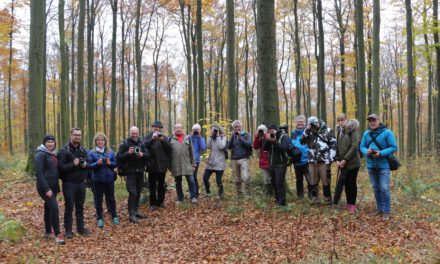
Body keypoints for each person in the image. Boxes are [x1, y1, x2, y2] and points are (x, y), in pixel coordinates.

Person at [360, 114, 398, 220]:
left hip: (383, 165)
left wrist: (380, 153)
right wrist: (366, 151)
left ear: (378, 120)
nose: (372, 122)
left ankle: (386, 211)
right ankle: (379, 209)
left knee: (384, 188)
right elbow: (362, 146)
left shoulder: (387, 132)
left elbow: (394, 147)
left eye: (374, 120)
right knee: (376, 188)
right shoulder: (366, 133)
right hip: (371, 165)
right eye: (370, 121)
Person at [58, 128, 92, 238]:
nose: (77, 137)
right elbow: (61, 168)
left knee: (80, 206)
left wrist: (84, 165)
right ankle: (68, 230)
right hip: (69, 183)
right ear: (71, 135)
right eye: (75, 135)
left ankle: (80, 228)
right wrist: (73, 164)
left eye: (79, 135)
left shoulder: (83, 149)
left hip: (81, 183)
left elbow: (88, 164)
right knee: (69, 206)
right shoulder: (64, 150)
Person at [35, 135, 65, 244]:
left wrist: (56, 187)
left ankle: (48, 232)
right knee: (54, 207)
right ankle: (57, 234)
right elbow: (39, 173)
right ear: (44, 143)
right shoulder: (40, 155)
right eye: (48, 142)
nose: (50, 144)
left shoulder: (52, 154)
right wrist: (47, 188)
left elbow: (55, 172)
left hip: (53, 186)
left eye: (52, 142)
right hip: (44, 187)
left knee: (48, 208)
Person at [116, 126, 150, 223]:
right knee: (133, 193)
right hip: (130, 172)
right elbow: (118, 157)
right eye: (133, 133)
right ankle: (131, 214)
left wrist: (142, 154)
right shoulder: (125, 143)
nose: (134, 135)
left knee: (138, 192)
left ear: (138, 133)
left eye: (136, 133)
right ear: (129, 133)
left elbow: (148, 155)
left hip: (140, 172)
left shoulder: (141, 143)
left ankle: (136, 211)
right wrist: (128, 153)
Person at [300, 117, 336, 205]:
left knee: (326, 181)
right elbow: (302, 141)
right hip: (312, 161)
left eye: (313, 125)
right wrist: (307, 130)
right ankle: (315, 200)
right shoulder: (309, 131)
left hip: (324, 161)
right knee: (313, 182)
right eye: (310, 125)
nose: (312, 126)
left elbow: (334, 145)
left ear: (317, 123)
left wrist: (330, 158)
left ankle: (327, 200)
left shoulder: (327, 130)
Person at [87, 132, 119, 228]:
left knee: (111, 199)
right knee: (98, 200)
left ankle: (114, 216)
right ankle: (100, 218)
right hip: (97, 180)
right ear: (95, 142)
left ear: (105, 141)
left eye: (102, 140)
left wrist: (110, 163)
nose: (100, 142)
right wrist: (97, 163)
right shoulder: (92, 152)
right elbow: (89, 166)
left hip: (109, 179)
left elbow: (116, 163)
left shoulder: (110, 151)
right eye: (98, 140)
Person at [333, 114, 361, 212]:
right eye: (339, 121)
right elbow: (338, 146)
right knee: (346, 183)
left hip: (353, 163)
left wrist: (345, 159)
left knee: (352, 183)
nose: (341, 122)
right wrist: (337, 159)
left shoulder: (353, 130)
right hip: (343, 164)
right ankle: (348, 203)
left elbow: (354, 146)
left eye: (342, 120)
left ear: (346, 120)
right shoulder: (339, 132)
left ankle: (352, 204)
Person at [143, 121, 171, 210]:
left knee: (161, 185)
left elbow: (169, 149)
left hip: (162, 165)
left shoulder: (164, 137)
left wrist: (162, 140)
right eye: (155, 127)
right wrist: (152, 139)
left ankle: (160, 202)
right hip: (152, 166)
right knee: (152, 186)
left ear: (160, 129)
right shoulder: (148, 137)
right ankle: (153, 203)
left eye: (158, 127)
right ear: (153, 128)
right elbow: (143, 146)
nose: (156, 128)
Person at [169, 123, 198, 204]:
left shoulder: (187, 138)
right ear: (174, 129)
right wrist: (169, 166)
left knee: (191, 181)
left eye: (180, 127)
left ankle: (193, 197)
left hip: (187, 164)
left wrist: (193, 164)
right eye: (176, 128)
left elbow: (192, 152)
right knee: (178, 183)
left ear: (182, 129)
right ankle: (180, 199)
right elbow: (168, 154)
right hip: (175, 165)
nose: (178, 129)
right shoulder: (170, 138)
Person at [264, 124, 291, 206]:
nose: (272, 133)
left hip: (281, 165)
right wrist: (268, 140)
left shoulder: (283, 137)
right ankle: (277, 199)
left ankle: (282, 202)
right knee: (274, 183)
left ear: (276, 130)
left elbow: (284, 148)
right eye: (270, 131)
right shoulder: (270, 138)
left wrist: (275, 142)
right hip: (272, 164)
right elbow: (265, 148)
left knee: (279, 183)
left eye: (273, 131)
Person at [228, 120, 253, 198]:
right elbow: (228, 147)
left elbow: (249, 145)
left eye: (238, 126)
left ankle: (248, 194)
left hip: (244, 159)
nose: (237, 128)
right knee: (237, 179)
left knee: (245, 177)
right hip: (234, 159)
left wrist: (240, 137)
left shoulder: (246, 134)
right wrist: (232, 137)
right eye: (235, 127)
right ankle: (240, 195)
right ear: (233, 128)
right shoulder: (233, 136)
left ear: (241, 127)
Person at [291, 115, 313, 199]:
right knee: (298, 180)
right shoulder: (293, 133)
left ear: (305, 123)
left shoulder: (308, 132)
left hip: (306, 160)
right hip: (296, 161)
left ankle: (311, 197)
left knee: (309, 179)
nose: (300, 123)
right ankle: (300, 197)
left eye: (301, 122)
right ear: (295, 123)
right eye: (298, 122)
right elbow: (291, 145)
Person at [203, 124, 227, 199]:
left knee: (218, 180)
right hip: (211, 162)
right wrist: (211, 136)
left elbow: (221, 147)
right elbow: (207, 146)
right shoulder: (211, 138)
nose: (213, 131)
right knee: (205, 178)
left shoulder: (223, 138)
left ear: (218, 131)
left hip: (219, 162)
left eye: (215, 130)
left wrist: (218, 136)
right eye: (212, 130)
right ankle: (208, 192)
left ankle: (221, 195)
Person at [253, 124, 271, 195]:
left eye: (262, 130)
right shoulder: (260, 138)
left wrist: (266, 136)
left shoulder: (269, 136)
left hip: (271, 160)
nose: (261, 132)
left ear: (266, 131)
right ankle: (267, 192)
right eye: (259, 130)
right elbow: (255, 146)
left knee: (272, 178)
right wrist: (257, 136)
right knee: (266, 178)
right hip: (264, 161)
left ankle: (272, 191)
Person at [190, 123, 206, 197]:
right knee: (190, 176)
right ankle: (193, 192)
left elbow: (203, 148)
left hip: (196, 160)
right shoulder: (189, 137)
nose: (196, 131)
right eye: (194, 130)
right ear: (192, 130)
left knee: (193, 176)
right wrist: (191, 136)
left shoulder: (201, 138)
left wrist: (199, 138)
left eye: (197, 130)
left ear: (200, 130)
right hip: (188, 160)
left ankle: (195, 193)